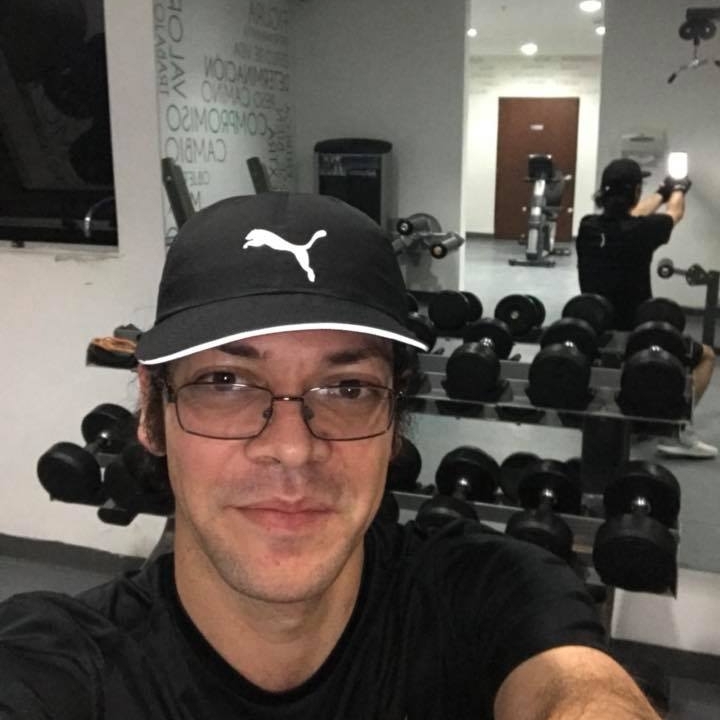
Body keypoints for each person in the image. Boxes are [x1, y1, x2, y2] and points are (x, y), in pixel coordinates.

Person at [1, 193, 663, 719]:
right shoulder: (61, 666)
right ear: (151, 412)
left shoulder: (491, 594)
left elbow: (576, 690)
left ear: (395, 421)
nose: (293, 448)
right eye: (225, 382)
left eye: (348, 388)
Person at [576, 157, 717, 459]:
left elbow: (632, 217)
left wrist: (662, 191)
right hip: (640, 337)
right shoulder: (643, 232)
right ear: (636, 192)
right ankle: (678, 430)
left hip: (596, 333)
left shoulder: (588, 228)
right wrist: (678, 190)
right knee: (706, 355)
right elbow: (675, 213)